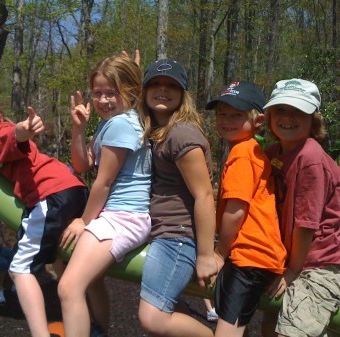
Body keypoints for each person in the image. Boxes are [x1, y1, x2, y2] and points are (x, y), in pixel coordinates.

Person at [0, 96, 88, 337]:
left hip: (49, 196)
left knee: (20, 269)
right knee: (63, 261)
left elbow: (12, 134)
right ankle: (86, 325)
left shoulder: (1, 132)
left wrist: (25, 128)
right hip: (73, 190)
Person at [57, 53, 152, 337]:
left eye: (112, 93)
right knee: (90, 279)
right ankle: (97, 330)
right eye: (97, 93)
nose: (103, 100)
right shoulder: (113, 122)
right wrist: (78, 128)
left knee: (67, 287)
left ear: (131, 92)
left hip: (124, 216)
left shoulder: (121, 124)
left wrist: (84, 221)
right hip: (119, 214)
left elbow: (104, 182)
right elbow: (81, 164)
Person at [137, 59, 217, 337]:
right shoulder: (159, 131)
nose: (163, 89)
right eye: (155, 84)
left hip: (178, 236)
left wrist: (206, 255)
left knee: (153, 318)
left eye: (172, 85)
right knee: (168, 308)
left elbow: (205, 195)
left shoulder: (181, 134)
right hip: (162, 231)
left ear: (183, 94)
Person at [205, 81, 287, 337]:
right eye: (222, 114)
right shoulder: (254, 150)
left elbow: (236, 211)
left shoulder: (242, 153)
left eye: (236, 115)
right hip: (254, 257)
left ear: (258, 120)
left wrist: (219, 253)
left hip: (250, 258)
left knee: (227, 332)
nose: (227, 120)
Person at [261, 79, 340, 337]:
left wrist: (292, 271)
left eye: (297, 112)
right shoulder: (275, 151)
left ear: (313, 120)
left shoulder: (310, 158)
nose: (288, 118)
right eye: (281, 110)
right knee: (269, 327)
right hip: (289, 256)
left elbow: (305, 226)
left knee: (289, 333)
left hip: (319, 263)